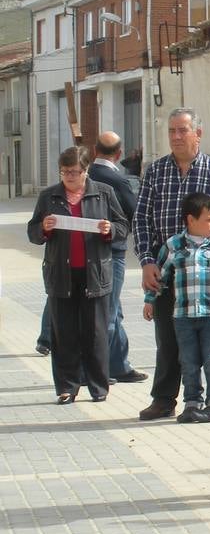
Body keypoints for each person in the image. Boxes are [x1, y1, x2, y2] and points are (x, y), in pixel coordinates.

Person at [135, 108, 210, 421]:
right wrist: (147, 261)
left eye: (183, 130)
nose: (176, 137)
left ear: (198, 134)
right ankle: (165, 399)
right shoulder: (155, 171)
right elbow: (141, 218)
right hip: (167, 269)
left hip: (207, 274)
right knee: (168, 340)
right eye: (172, 131)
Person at [27, 146, 127, 403]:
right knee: (64, 332)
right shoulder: (50, 196)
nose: (69, 177)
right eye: (64, 172)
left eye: (74, 172)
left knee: (95, 333)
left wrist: (109, 229)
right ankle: (66, 386)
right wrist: (44, 228)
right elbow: (33, 232)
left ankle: (98, 386)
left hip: (95, 273)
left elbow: (123, 226)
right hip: (61, 273)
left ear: (86, 171)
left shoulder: (103, 193)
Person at [144, 193, 210, 423]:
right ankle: (192, 403)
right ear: (191, 220)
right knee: (188, 361)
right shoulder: (174, 245)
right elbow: (160, 276)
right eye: (209, 219)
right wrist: (149, 300)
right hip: (183, 315)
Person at [88, 132, 147, 384]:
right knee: (108, 313)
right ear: (119, 154)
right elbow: (135, 214)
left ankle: (118, 364)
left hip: (89, 252)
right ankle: (97, 370)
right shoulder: (117, 180)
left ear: (94, 150)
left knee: (115, 312)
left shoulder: (85, 174)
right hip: (113, 250)